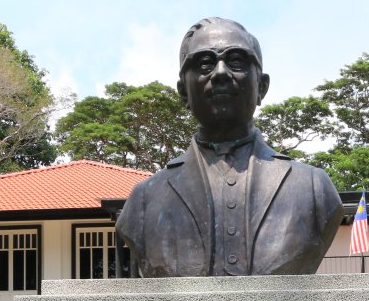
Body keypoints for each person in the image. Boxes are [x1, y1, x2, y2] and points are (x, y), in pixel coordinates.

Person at [117, 17, 344, 277]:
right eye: (205, 63)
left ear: (262, 86)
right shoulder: (144, 201)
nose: (221, 73)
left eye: (236, 60)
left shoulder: (314, 188)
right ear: (183, 92)